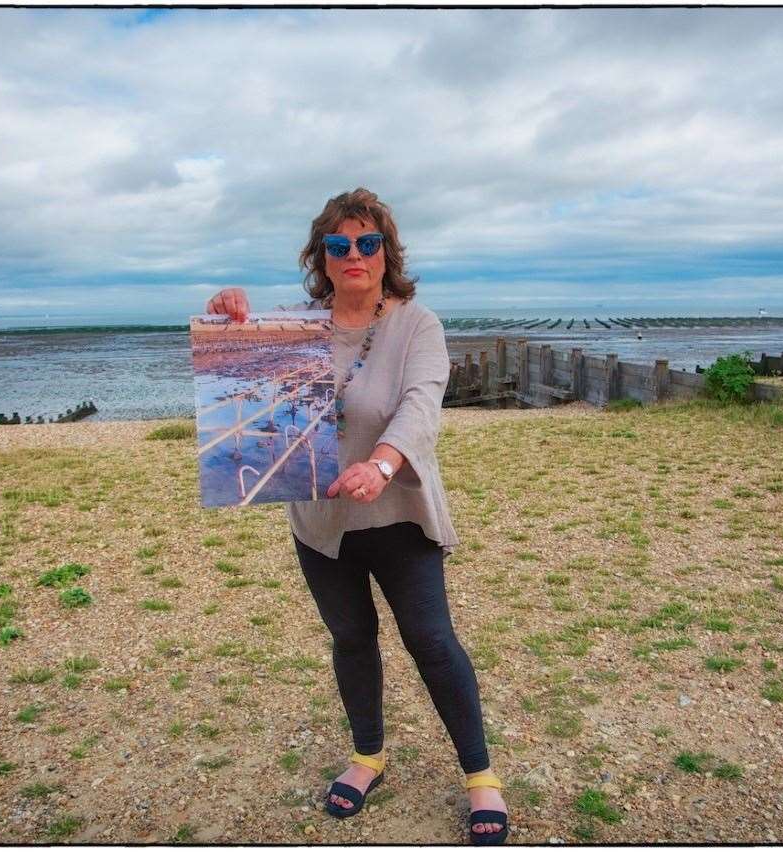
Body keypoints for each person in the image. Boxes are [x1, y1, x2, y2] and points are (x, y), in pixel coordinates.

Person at [205, 188, 509, 845]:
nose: (353, 255)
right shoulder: (293, 327)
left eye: (367, 243)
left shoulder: (416, 325)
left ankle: (480, 774)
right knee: (351, 639)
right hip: (321, 525)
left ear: (385, 252)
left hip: (399, 514)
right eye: (338, 245)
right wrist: (232, 324)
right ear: (322, 256)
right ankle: (368, 755)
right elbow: (246, 394)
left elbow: (422, 405)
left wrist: (383, 464)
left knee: (430, 639)